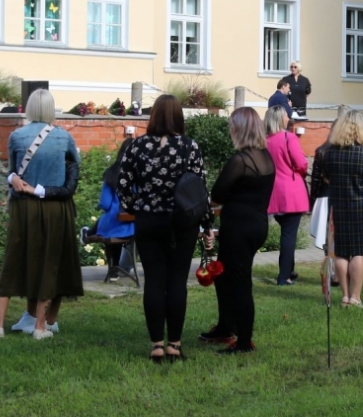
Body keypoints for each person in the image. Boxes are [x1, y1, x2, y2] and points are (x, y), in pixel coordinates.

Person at [115, 94, 205, 362]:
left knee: (154, 280)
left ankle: (156, 344)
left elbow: (121, 183)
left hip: (149, 219)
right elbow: (200, 189)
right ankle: (174, 345)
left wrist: (135, 206)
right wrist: (207, 225)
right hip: (182, 221)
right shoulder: (190, 147)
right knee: (177, 281)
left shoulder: (137, 146)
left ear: (153, 116)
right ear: (179, 116)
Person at [0, 89, 80, 339]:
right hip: (54, 207)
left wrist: (14, 178)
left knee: (15, 259)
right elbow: (75, 165)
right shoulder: (63, 137)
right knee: (50, 262)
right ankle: (41, 326)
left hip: (23, 207)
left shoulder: (16, 136)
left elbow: (11, 171)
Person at [197, 108, 276, 354]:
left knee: (240, 283)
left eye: (232, 126)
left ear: (240, 129)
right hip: (256, 224)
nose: (230, 130)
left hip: (239, 227)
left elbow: (218, 194)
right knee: (223, 275)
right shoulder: (265, 157)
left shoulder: (240, 160)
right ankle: (225, 327)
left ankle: (243, 342)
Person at [310, 108, 363, 307]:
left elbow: (325, 178)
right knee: (358, 252)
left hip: (338, 205)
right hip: (362, 206)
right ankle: (355, 297)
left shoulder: (329, 153)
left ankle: (344, 295)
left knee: (340, 252)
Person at [264, 104, 309, 285]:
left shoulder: (265, 141)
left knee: (286, 233)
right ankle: (284, 276)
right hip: (291, 191)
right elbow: (301, 163)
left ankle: (288, 270)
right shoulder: (288, 137)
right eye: (285, 115)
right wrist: (302, 169)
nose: (288, 118)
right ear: (279, 119)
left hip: (273, 193)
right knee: (289, 235)